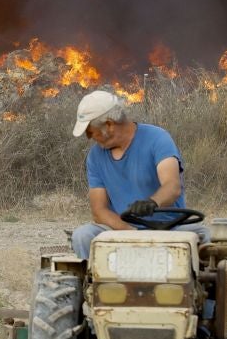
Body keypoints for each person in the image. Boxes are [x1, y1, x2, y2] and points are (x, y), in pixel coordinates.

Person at [69, 89, 196, 260]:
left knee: (202, 238)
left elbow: (172, 187)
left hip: (169, 228)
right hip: (123, 229)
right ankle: (91, 285)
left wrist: (152, 202)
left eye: (90, 131)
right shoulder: (95, 156)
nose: (89, 137)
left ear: (109, 124)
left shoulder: (157, 138)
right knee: (82, 236)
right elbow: (99, 211)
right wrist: (133, 235)